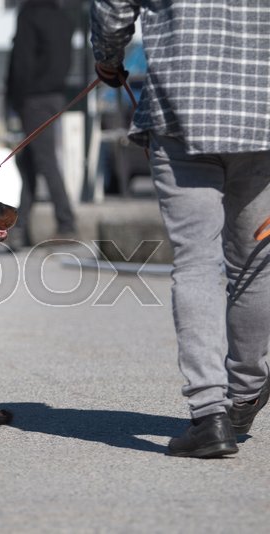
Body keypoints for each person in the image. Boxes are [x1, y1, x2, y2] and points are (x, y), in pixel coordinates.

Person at [91, 1, 270, 458]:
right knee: (255, 261)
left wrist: (108, 57)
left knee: (196, 261)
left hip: (183, 104)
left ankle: (210, 414)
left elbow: (112, 9)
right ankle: (246, 392)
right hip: (262, 110)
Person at [6, 0, 77, 248]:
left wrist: (14, 99)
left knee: (44, 160)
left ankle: (66, 222)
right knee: (29, 160)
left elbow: (21, 61)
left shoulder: (29, 15)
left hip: (33, 98)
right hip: (55, 95)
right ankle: (20, 227)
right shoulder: (62, 16)